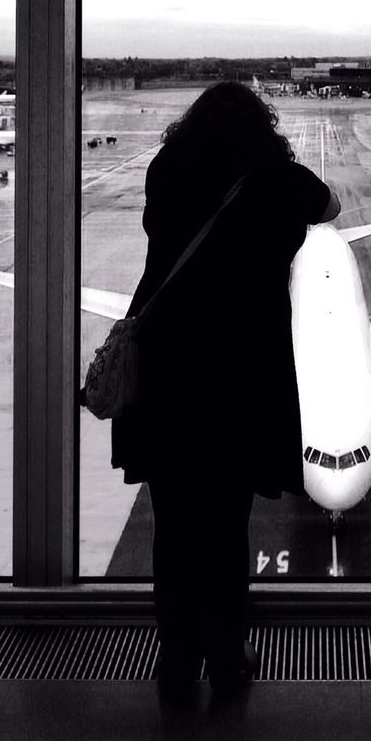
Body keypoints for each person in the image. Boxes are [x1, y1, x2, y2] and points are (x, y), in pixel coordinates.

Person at [111, 81, 340, 700]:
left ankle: (177, 661)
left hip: (168, 371)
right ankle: (228, 658)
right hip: (238, 377)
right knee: (224, 530)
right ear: (260, 127)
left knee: (175, 530)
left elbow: (157, 227)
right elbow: (331, 206)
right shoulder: (275, 178)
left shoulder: (167, 168)